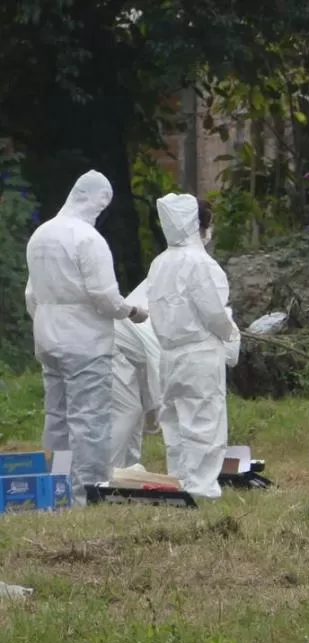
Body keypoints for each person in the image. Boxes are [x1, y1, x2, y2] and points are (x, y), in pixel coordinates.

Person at [24, 170, 150, 504]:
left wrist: (49, 320)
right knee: (89, 418)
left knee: (58, 416)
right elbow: (104, 296)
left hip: (48, 336)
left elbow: (31, 295)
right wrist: (132, 312)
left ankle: (56, 488)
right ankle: (87, 493)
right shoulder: (88, 239)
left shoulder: (41, 234)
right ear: (99, 201)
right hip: (85, 342)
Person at [146, 193, 240, 499]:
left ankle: (178, 484)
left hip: (168, 355)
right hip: (199, 352)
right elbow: (213, 312)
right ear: (198, 225)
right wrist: (229, 331)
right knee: (204, 422)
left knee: (175, 424)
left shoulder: (159, 263)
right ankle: (201, 490)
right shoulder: (201, 263)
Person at [110, 279, 162, 469]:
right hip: (111, 346)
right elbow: (157, 364)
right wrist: (159, 408)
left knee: (134, 413)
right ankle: (109, 473)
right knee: (127, 411)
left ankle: (128, 467)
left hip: (123, 351)